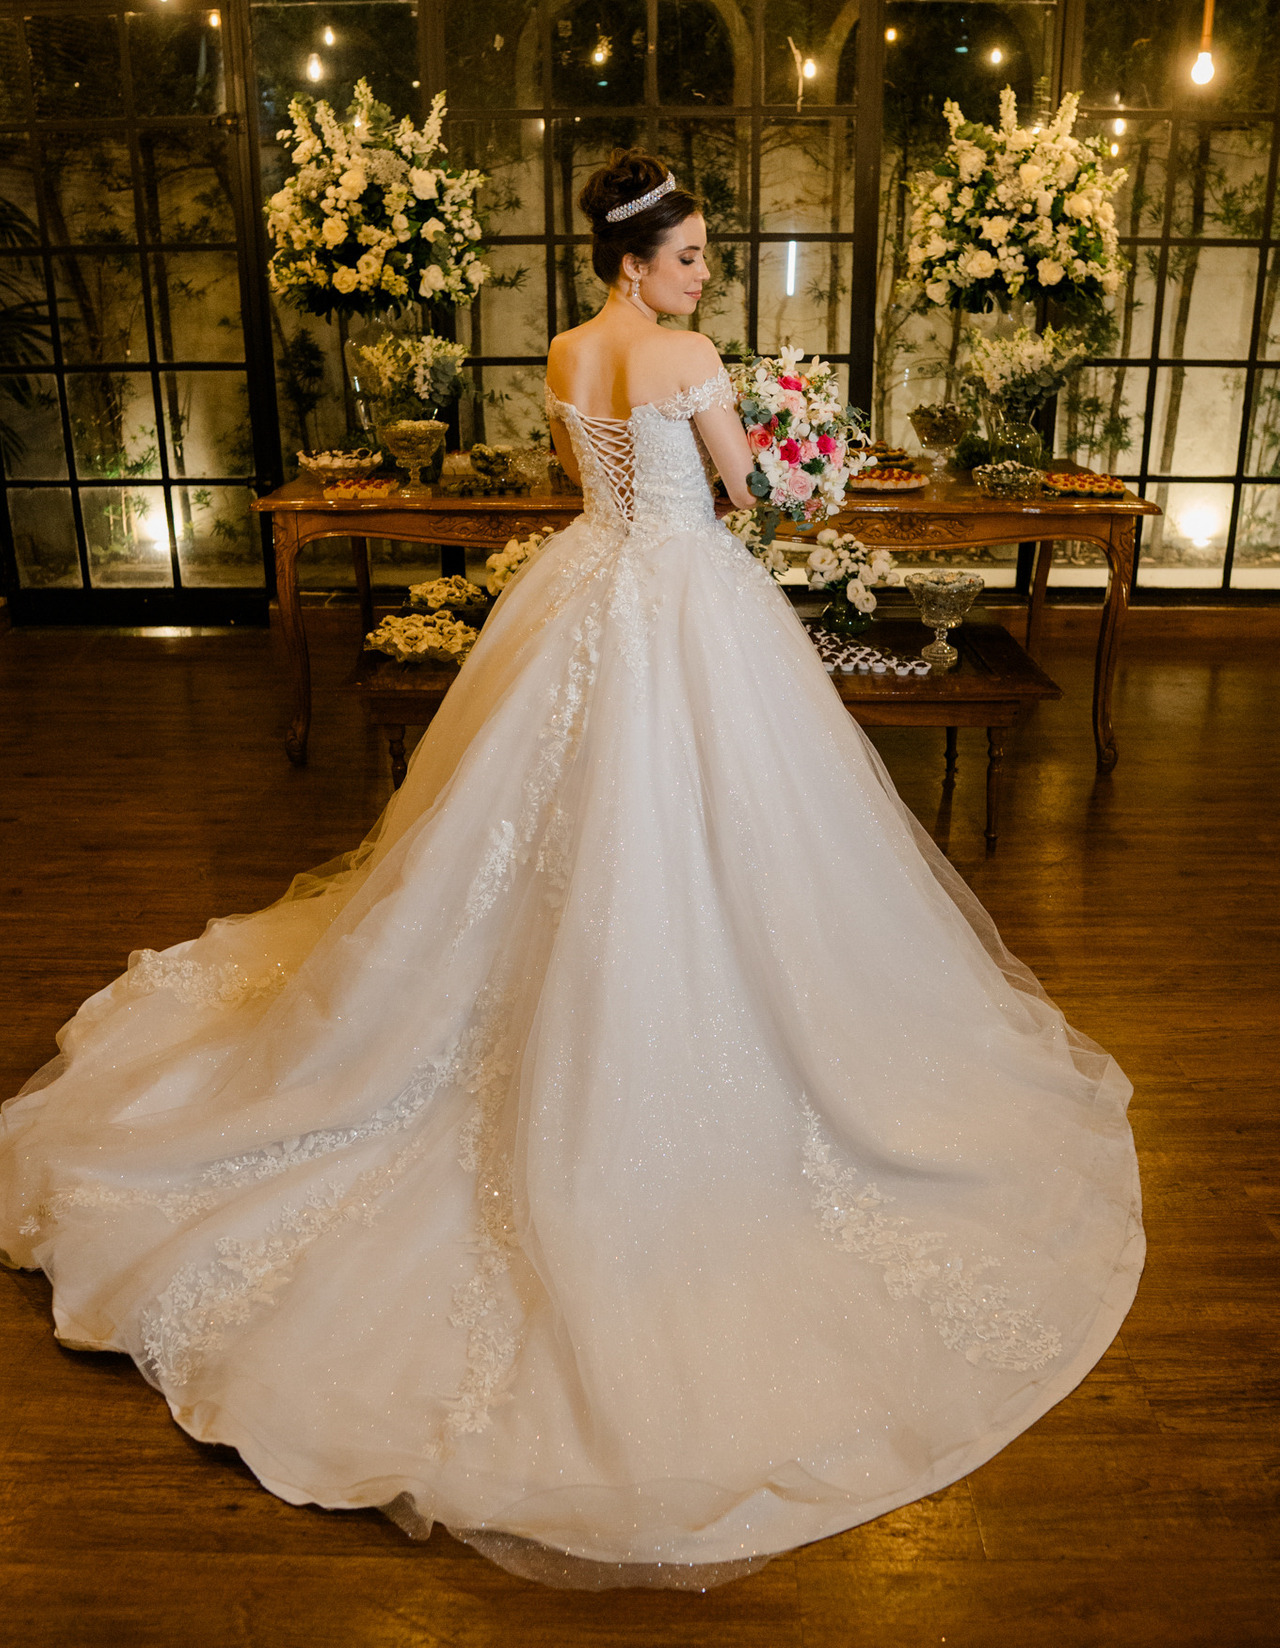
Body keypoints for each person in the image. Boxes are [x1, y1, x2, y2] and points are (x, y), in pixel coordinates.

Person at [0, 151, 1143, 1593]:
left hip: (585, 591)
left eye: (704, 261)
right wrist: (791, 462)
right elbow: (747, 498)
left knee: (524, 838)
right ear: (633, 259)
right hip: (682, 601)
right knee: (702, 834)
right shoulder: (684, 355)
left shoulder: (564, 348)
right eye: (685, 259)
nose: (702, 276)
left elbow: (583, 477)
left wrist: (696, 476)